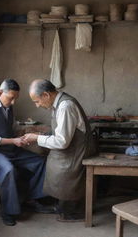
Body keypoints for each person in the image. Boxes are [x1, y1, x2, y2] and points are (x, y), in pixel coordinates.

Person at [0, 79, 54, 226]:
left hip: (10, 150)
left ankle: (31, 198)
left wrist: (26, 134)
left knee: (40, 161)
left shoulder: (9, 107)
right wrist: (14, 141)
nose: (13, 102)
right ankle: (7, 212)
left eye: (15, 99)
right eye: (10, 98)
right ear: (0, 93)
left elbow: (12, 129)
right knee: (8, 170)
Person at [23, 79, 93, 221]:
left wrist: (36, 138)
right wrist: (41, 135)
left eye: (37, 101)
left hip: (78, 151)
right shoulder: (58, 104)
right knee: (49, 161)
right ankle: (62, 205)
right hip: (71, 147)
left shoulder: (65, 106)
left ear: (46, 95)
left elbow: (61, 142)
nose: (37, 105)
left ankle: (71, 211)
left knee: (61, 169)